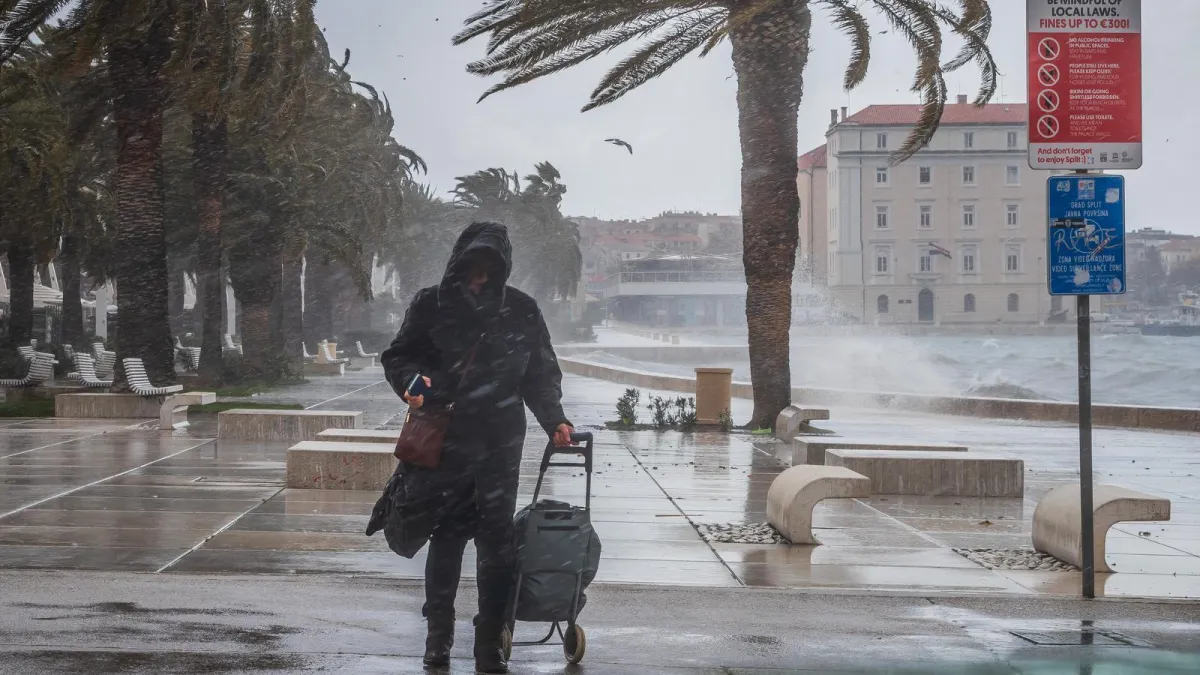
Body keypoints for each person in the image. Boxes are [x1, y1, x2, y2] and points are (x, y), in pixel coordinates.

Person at [380, 221, 574, 674]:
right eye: (474, 267)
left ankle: (489, 642)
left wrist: (555, 419)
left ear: (503, 268)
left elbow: (540, 373)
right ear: (459, 262)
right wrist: (410, 381)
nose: (480, 277)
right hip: (445, 438)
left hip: (500, 442)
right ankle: (438, 638)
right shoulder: (432, 303)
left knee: (496, 544)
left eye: (490, 269)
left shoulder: (522, 310)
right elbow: (398, 355)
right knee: (446, 539)